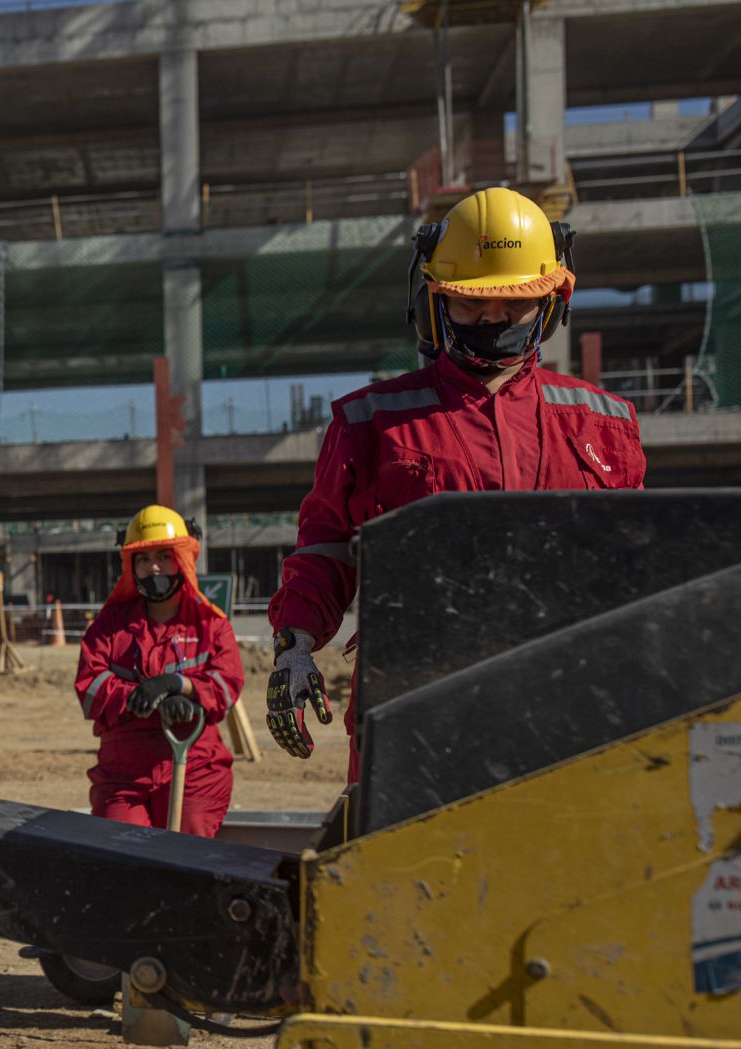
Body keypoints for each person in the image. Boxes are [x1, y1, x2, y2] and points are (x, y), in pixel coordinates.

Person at [267, 186, 646, 775]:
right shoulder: (370, 423)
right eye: (473, 305)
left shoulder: (604, 423)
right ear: (435, 301)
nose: (493, 319)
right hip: (411, 711)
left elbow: (641, 566)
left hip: (570, 709)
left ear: (553, 299)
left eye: (513, 304)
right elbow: (326, 549)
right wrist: (294, 643)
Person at [74, 505, 244, 838]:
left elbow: (227, 684)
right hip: (124, 775)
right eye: (143, 558)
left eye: (164, 556)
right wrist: (140, 699)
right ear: (131, 567)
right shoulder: (108, 627)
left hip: (195, 767)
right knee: (124, 853)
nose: (153, 567)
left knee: (188, 859)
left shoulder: (212, 625)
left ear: (181, 559)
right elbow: (90, 687)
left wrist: (182, 687)